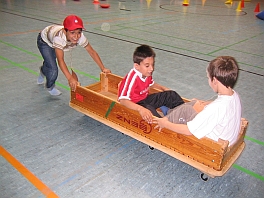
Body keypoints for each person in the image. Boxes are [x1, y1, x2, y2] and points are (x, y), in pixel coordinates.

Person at [153, 56, 242, 146]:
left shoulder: (215, 108)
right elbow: (221, 105)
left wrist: (166, 124)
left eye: (208, 78)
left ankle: (166, 118)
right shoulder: (234, 95)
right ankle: (170, 114)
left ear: (214, 80)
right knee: (195, 104)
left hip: (212, 143)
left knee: (185, 110)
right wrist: (205, 103)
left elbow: (188, 131)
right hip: (224, 136)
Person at [37, 15, 111, 96]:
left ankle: (43, 70)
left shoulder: (80, 37)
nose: (76, 37)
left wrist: (103, 68)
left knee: (49, 65)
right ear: (65, 31)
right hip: (45, 42)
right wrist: (70, 78)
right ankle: (50, 86)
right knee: (53, 69)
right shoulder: (59, 38)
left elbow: (92, 52)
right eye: (72, 33)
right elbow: (61, 61)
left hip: (56, 41)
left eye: (79, 32)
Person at [118, 44, 184, 124]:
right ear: (136, 66)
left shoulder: (146, 73)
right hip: (135, 104)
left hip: (146, 99)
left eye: (152, 64)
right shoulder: (132, 78)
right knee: (151, 115)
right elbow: (123, 100)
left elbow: (152, 84)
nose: (151, 68)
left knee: (171, 95)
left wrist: (164, 89)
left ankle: (184, 114)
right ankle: (167, 125)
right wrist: (141, 109)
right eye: (147, 65)